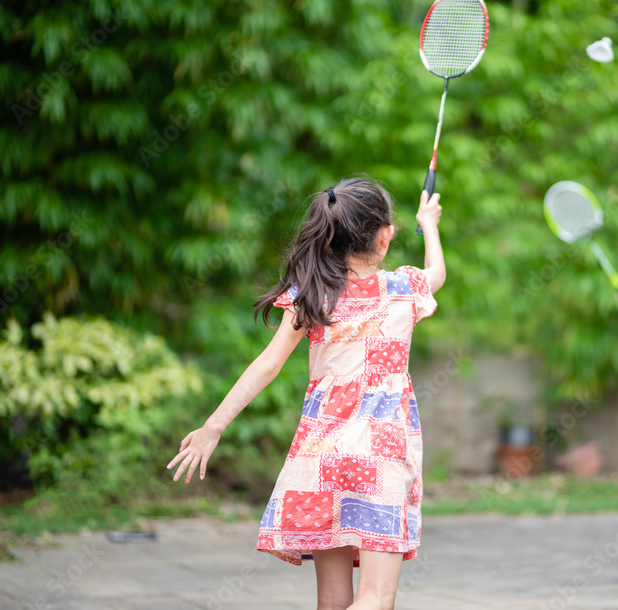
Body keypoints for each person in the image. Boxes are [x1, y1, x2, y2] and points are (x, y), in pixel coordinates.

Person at [167, 176, 445, 610]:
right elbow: (437, 274)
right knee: (375, 599)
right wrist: (428, 224)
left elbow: (267, 365)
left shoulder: (313, 293)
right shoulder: (404, 289)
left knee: (332, 602)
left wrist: (213, 427)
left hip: (321, 459)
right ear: (385, 237)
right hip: (382, 456)